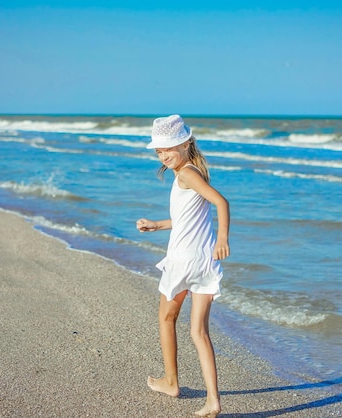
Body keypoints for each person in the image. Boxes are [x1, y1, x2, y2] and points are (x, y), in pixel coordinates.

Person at [136, 114, 230, 417]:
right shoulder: (193, 173)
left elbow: (222, 203)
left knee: (166, 319)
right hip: (204, 263)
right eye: (159, 151)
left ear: (186, 144)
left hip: (183, 261)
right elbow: (186, 220)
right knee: (199, 331)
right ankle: (213, 401)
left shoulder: (186, 175)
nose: (164, 156)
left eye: (168, 149)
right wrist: (158, 225)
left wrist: (223, 239)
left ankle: (172, 381)